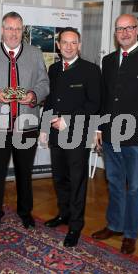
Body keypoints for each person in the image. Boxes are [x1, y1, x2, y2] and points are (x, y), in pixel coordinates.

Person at [92, 14, 138, 254]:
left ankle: (130, 234)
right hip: (111, 135)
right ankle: (114, 225)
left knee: (135, 187)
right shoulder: (108, 60)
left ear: (137, 30)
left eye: (129, 28)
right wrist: (98, 127)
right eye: (119, 29)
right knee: (114, 182)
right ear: (115, 33)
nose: (124, 33)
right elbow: (104, 99)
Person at [0, 11, 49, 230]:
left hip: (26, 125)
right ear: (2, 30)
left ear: (23, 30)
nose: (13, 33)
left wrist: (34, 95)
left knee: (25, 173)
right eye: (9, 28)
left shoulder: (35, 54)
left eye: (18, 29)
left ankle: (25, 212)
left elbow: (44, 83)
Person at [39, 27, 101, 247]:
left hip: (78, 135)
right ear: (58, 45)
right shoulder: (53, 69)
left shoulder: (91, 70)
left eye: (73, 42)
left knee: (77, 181)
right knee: (59, 178)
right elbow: (49, 100)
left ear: (79, 45)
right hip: (55, 135)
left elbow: (94, 104)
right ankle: (63, 214)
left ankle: (75, 225)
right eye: (64, 42)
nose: (68, 46)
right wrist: (45, 128)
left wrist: (68, 120)